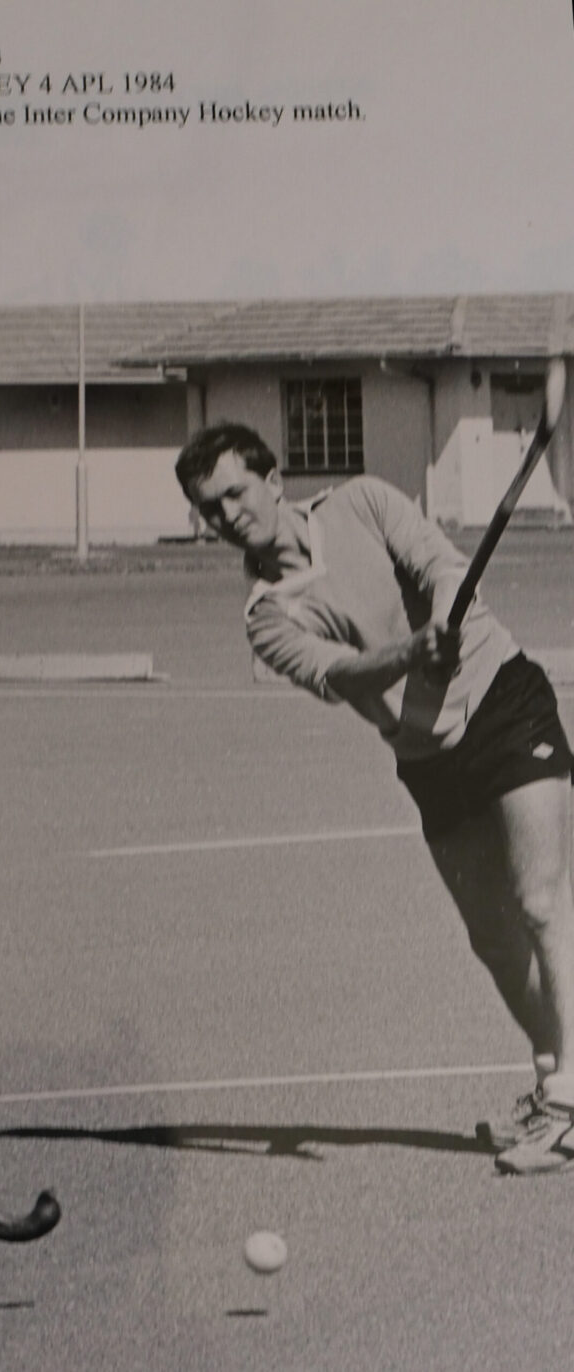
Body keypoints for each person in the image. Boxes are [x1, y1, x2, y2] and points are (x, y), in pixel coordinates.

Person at [175, 422, 574, 1176]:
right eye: (209, 507)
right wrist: (409, 652)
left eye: (234, 492)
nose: (228, 516)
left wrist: (445, 615)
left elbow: (441, 565)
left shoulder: (361, 500)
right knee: (492, 938)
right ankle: (555, 1066)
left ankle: (567, 1105)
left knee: (542, 902)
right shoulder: (266, 617)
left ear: (272, 479)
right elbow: (345, 676)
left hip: (502, 698)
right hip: (426, 755)